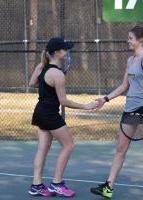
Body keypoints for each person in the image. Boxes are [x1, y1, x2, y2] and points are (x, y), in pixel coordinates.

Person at [90, 26, 143, 199]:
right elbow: (124, 86)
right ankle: (108, 186)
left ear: (140, 40)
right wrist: (105, 99)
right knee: (121, 148)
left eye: (130, 38)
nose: (128, 41)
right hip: (129, 109)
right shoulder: (130, 60)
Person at [28, 37, 98, 197]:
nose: (67, 52)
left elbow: (32, 83)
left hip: (40, 112)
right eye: (64, 50)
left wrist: (41, 68)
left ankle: (36, 185)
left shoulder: (42, 67)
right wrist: (85, 106)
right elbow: (63, 101)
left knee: (43, 148)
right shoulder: (57, 74)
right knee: (69, 145)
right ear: (57, 53)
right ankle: (56, 183)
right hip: (50, 114)